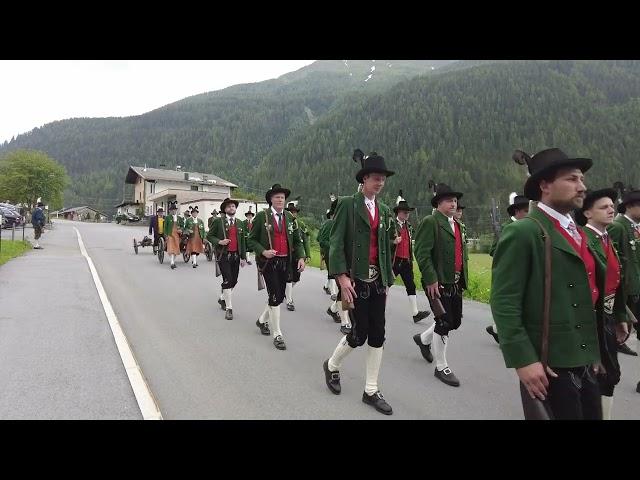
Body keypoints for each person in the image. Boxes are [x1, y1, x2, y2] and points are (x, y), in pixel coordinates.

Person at [491, 148, 604, 420]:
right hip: (550, 365)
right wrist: (524, 360)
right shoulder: (524, 232)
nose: (582, 187)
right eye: (572, 179)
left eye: (582, 179)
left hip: (585, 360)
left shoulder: (579, 232)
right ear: (545, 186)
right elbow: (504, 301)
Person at [322, 150, 395, 415]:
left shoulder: (385, 211)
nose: (380, 183)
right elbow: (335, 242)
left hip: (378, 282)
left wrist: (387, 278)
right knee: (358, 333)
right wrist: (341, 277)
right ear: (364, 179)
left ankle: (371, 390)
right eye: (376, 178)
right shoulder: (347, 204)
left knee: (378, 334)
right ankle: (331, 365)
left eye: (383, 179)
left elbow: (386, 247)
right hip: (354, 280)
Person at [575, 188, 629, 418]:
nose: (611, 209)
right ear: (587, 213)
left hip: (607, 316)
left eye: (611, 206)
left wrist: (620, 318)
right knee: (599, 375)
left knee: (609, 374)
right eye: (603, 207)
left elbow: (617, 283)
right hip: (590, 318)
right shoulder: (582, 240)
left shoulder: (606, 239)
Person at [413, 183, 468, 387]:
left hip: (454, 281)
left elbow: (461, 255)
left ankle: (424, 339)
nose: (453, 203)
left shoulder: (457, 224)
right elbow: (422, 253)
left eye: (455, 200)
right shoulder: (431, 221)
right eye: (448, 200)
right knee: (444, 322)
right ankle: (441, 366)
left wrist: (462, 278)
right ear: (438, 203)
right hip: (437, 282)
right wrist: (431, 279)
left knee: (454, 322)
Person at [248, 184, 305, 350]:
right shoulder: (262, 217)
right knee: (274, 296)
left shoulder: (290, 217)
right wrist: (263, 251)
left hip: (285, 262)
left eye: (282, 197)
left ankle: (261, 321)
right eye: (277, 197)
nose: (280, 200)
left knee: (279, 297)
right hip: (268, 263)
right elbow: (251, 240)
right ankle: (277, 333)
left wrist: (300, 257)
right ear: (271, 200)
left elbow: (297, 240)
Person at [486, 194, 530, 343]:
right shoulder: (505, 228)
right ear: (517, 212)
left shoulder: (528, 227)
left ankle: (496, 329)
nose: (529, 214)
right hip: (508, 273)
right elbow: (494, 251)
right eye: (526, 211)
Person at [607, 187, 640, 360]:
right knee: (618, 333)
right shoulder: (618, 226)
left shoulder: (635, 226)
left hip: (636, 287)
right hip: (626, 292)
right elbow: (611, 258)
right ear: (630, 206)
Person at [390, 192, 431, 323]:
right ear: (398, 212)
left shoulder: (409, 227)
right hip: (394, 261)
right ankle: (376, 309)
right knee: (385, 285)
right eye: (404, 212)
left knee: (411, 286)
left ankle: (415, 313)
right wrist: (393, 242)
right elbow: (382, 241)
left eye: (408, 212)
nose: (407, 214)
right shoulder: (391, 225)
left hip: (406, 261)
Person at [207, 198, 247, 320]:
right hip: (223, 255)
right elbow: (209, 236)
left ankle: (222, 298)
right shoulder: (219, 222)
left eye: (233, 206)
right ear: (225, 209)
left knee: (234, 281)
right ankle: (229, 308)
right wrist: (219, 241)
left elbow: (243, 241)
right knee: (228, 280)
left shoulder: (240, 223)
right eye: (229, 206)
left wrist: (243, 257)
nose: (231, 208)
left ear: (235, 209)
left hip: (236, 256)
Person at [319, 199, 351, 333]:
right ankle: (345, 322)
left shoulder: (347, 224)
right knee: (342, 289)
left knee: (344, 289)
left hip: (347, 261)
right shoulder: (330, 223)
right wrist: (334, 248)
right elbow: (322, 240)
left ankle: (333, 310)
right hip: (335, 260)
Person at [284, 202, 311, 311]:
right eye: (291, 212)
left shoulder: (301, 224)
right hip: (287, 255)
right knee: (289, 277)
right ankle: (289, 300)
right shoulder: (284, 223)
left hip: (298, 255)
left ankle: (286, 292)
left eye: (295, 212)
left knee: (296, 277)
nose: (293, 214)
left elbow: (305, 241)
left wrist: (307, 254)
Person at [164, 201, 184, 269]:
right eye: (172, 210)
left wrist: (180, 229)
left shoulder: (179, 218)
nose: (173, 211)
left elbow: (182, 226)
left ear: (176, 210)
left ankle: (173, 261)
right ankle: (172, 262)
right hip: (170, 234)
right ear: (170, 211)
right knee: (171, 248)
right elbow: (165, 227)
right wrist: (166, 235)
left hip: (177, 235)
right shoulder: (167, 218)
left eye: (174, 210)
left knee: (176, 249)